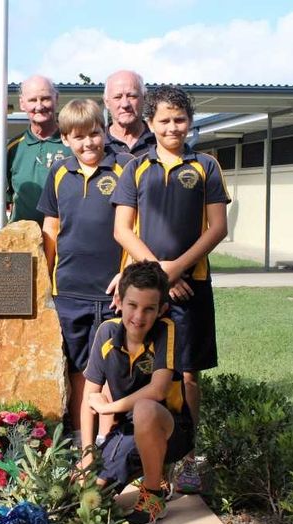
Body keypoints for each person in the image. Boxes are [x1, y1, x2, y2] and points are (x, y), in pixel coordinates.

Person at [111, 85, 230, 494]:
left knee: (188, 374)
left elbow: (218, 227)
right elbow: (122, 229)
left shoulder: (206, 166)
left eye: (180, 119)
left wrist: (177, 270)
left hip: (191, 287)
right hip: (147, 290)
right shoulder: (135, 168)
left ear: (190, 122)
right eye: (164, 120)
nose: (172, 127)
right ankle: (140, 455)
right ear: (150, 123)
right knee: (143, 372)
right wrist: (161, 276)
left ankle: (190, 457)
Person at [37, 98, 133, 442]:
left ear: (104, 132)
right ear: (65, 139)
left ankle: (111, 440)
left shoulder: (125, 168)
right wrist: (44, 281)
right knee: (78, 367)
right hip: (69, 291)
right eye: (78, 137)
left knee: (112, 367)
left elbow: (136, 227)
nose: (88, 143)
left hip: (112, 291)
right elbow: (51, 229)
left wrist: (128, 277)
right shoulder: (59, 173)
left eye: (94, 134)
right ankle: (83, 438)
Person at [80, 261, 193, 524]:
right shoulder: (106, 333)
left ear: (161, 310)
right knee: (86, 497)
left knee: (144, 408)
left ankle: (153, 495)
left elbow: (158, 390)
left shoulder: (166, 330)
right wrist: (87, 454)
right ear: (119, 301)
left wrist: (108, 408)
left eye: (149, 308)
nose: (139, 316)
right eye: (132, 305)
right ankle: (152, 473)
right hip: (126, 432)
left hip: (172, 430)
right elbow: (88, 399)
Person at [6, 75, 71, 225]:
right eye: (32, 100)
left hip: (63, 235)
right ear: (22, 103)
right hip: (23, 236)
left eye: (45, 99)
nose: (39, 106)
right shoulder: (12, 148)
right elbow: (5, 199)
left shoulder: (72, 144)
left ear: (56, 99)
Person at [103, 70, 154, 157]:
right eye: (117, 97)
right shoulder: (95, 145)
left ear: (144, 99)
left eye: (132, 96)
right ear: (106, 102)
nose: (125, 104)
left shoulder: (160, 142)